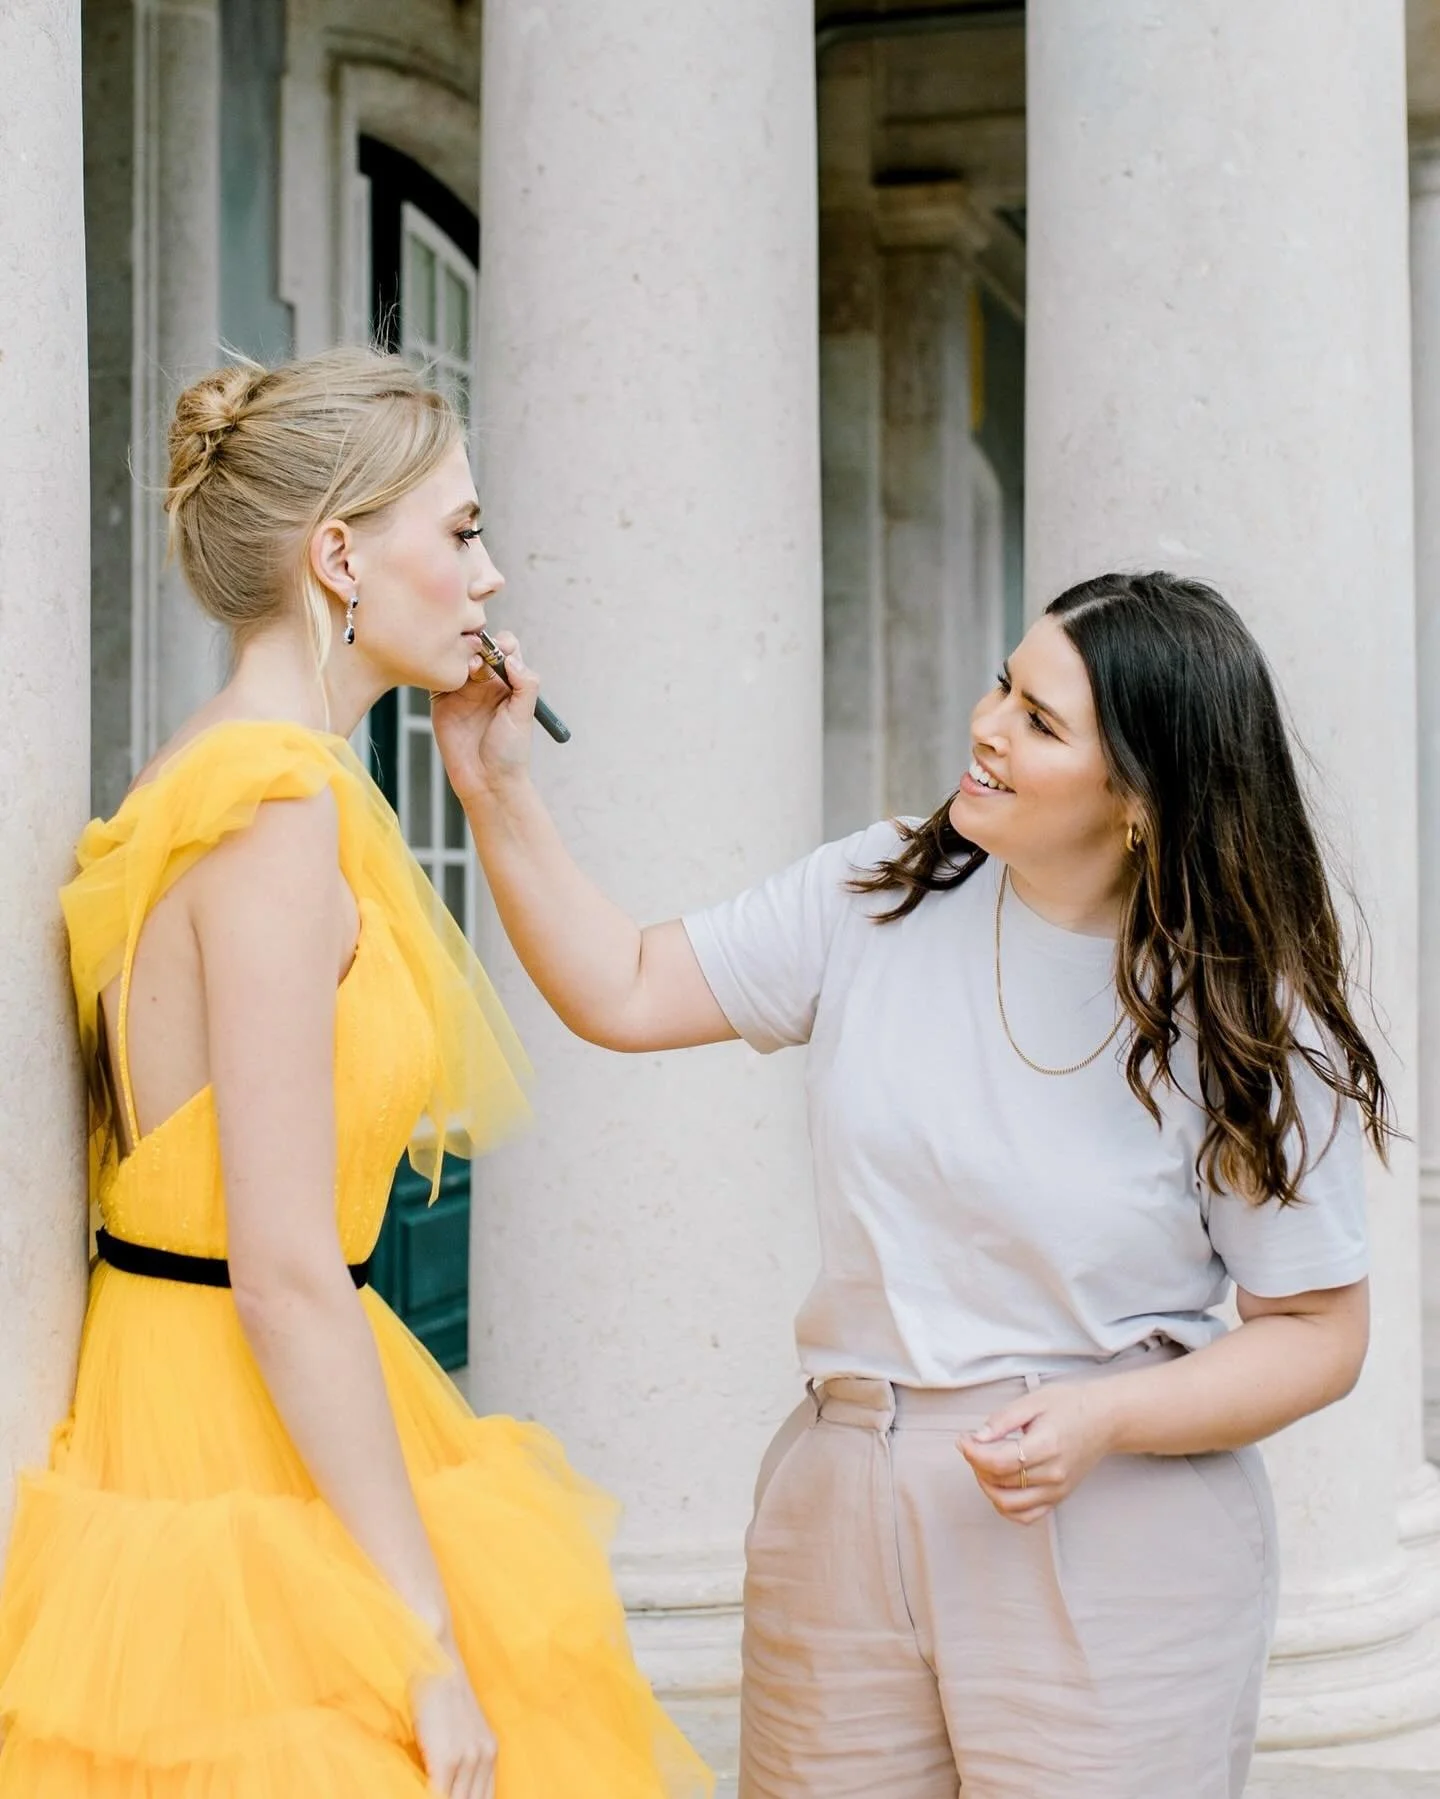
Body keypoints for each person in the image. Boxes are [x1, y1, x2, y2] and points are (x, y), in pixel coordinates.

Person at [433, 570, 1387, 1799]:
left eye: (1041, 721)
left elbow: (1318, 1331)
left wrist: (1102, 1420)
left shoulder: (1247, 1016)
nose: (987, 723)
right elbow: (621, 985)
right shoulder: (878, 890)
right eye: (1004, 681)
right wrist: (493, 781)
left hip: (1113, 1521)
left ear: (1142, 799)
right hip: (846, 1496)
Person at [0, 348, 712, 1799]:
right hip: (234, 1413)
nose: (492, 574)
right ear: (337, 554)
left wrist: (491, 782)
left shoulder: (218, 772)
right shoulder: (271, 807)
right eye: (457, 532)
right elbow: (280, 1265)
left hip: (242, 1379)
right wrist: (421, 1631)